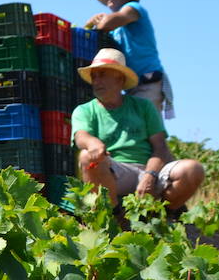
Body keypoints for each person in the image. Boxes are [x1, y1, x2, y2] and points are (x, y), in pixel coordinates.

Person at [71, 48, 203, 214]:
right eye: (94, 76)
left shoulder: (143, 107)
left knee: (192, 169)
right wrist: (92, 143)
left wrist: (150, 174)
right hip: (115, 172)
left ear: (119, 78)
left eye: (102, 74)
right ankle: (113, 217)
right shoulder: (85, 110)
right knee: (86, 156)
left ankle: (162, 215)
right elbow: (81, 136)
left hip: (149, 169)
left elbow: (160, 147)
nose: (96, 81)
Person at [84, 0, 174, 118]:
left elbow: (106, 24)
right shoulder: (115, 31)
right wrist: (90, 23)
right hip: (131, 87)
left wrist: (96, 21)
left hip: (148, 81)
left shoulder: (133, 8)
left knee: (149, 128)